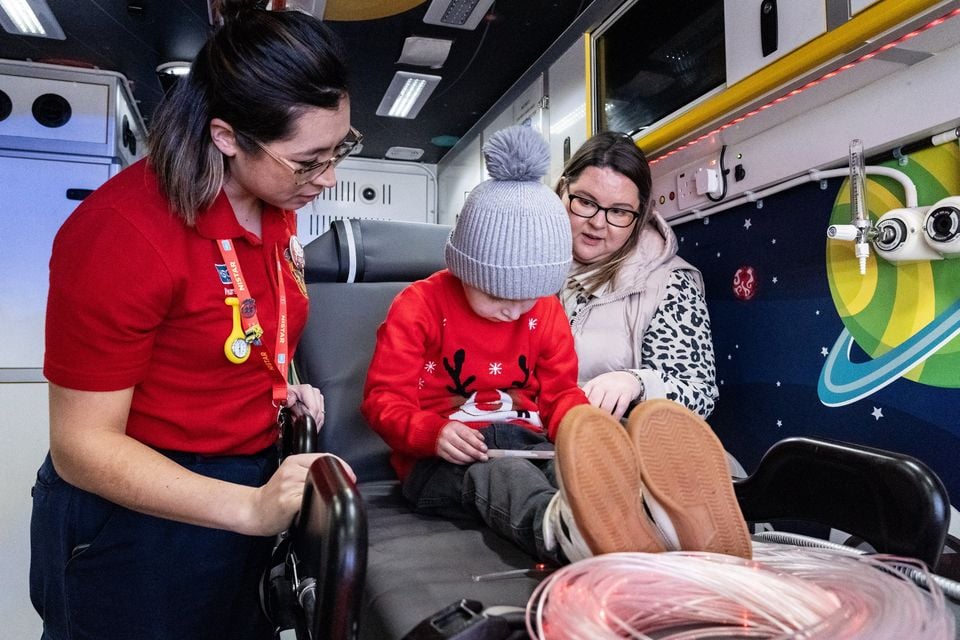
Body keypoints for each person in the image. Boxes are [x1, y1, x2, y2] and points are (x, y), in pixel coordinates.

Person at [30, 2, 357, 638]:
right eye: (310, 160)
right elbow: (82, 446)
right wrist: (249, 508)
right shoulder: (121, 234)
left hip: (243, 485)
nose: (329, 177)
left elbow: (229, 328)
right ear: (227, 136)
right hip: (140, 514)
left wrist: (269, 390)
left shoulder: (274, 202)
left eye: (339, 148)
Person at [360, 126, 750, 566]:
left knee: (572, 471)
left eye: (620, 211)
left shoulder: (543, 306)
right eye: (585, 203)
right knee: (502, 475)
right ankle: (561, 530)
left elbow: (560, 393)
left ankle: (654, 520)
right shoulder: (421, 306)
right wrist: (430, 434)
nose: (513, 311)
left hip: (529, 439)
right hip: (441, 454)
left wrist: (583, 442)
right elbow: (383, 400)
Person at [556, 132, 719, 421]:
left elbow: (698, 395)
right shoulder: (521, 270)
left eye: (618, 211)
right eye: (585, 202)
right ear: (562, 191)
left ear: (639, 215)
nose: (597, 222)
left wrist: (637, 383)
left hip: (610, 447)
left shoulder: (669, 283)